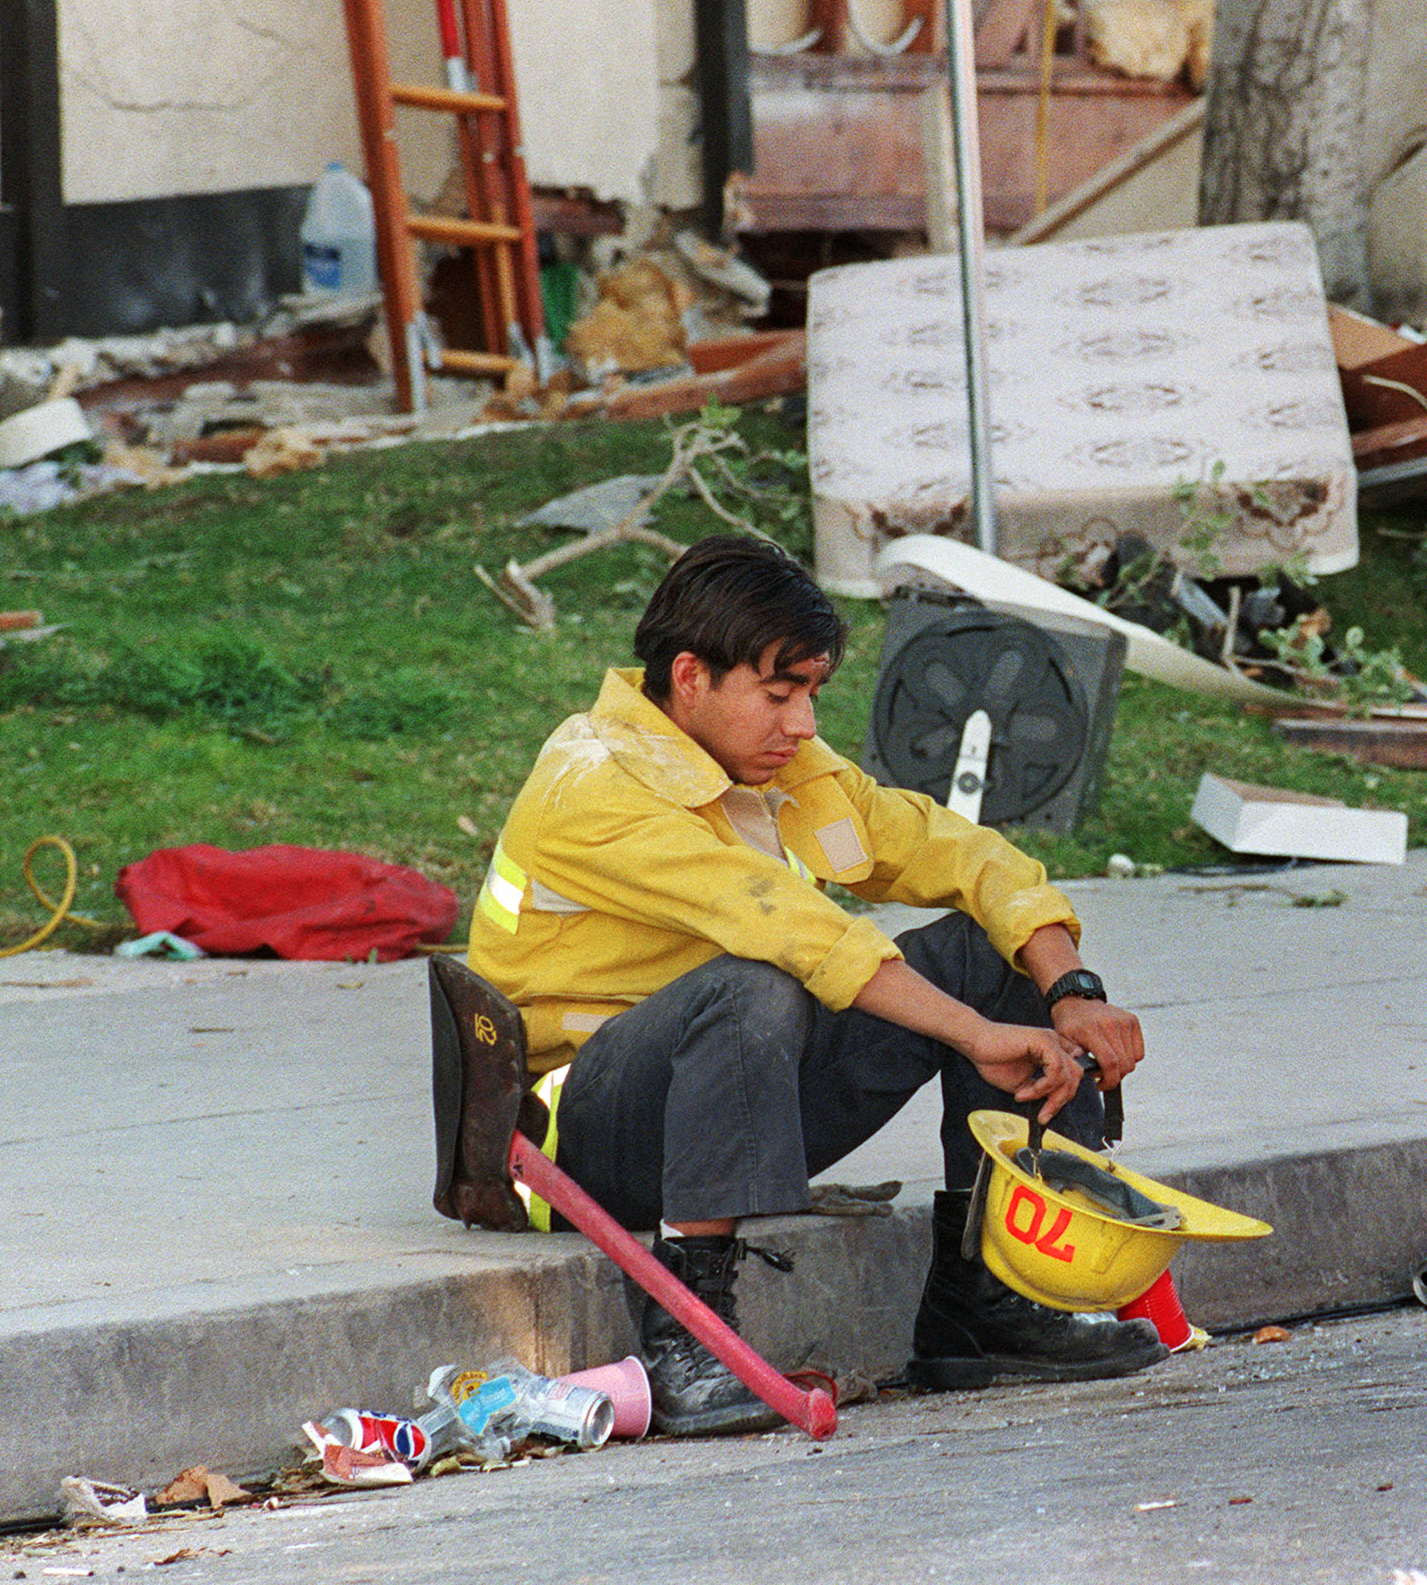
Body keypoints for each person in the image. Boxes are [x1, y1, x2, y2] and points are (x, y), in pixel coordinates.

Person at [464, 533, 1165, 1435]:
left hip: (721, 1093)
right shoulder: (596, 784)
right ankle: (686, 1340)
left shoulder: (772, 760)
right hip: (569, 1144)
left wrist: (1071, 985)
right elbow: (801, 935)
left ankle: (987, 1298)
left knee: (989, 949)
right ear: (689, 678)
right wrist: (977, 1037)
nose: (801, 723)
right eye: (779, 692)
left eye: (812, 695)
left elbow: (958, 851)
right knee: (757, 984)